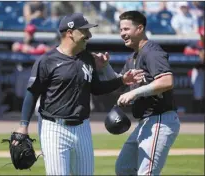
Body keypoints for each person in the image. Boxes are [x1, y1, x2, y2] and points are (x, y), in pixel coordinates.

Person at [11, 13, 144, 175]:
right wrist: (23, 126)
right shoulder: (47, 60)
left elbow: (96, 88)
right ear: (69, 33)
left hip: (82, 128)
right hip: (54, 128)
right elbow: (32, 94)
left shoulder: (88, 59)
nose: (89, 35)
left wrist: (121, 80)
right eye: (84, 31)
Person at [95, 11, 180, 175]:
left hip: (160, 120)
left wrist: (135, 93)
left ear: (140, 28)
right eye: (121, 30)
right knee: (124, 168)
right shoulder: (132, 57)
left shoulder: (152, 51)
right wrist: (106, 67)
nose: (122, 34)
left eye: (126, 29)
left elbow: (167, 81)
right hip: (146, 122)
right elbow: (120, 84)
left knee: (146, 173)